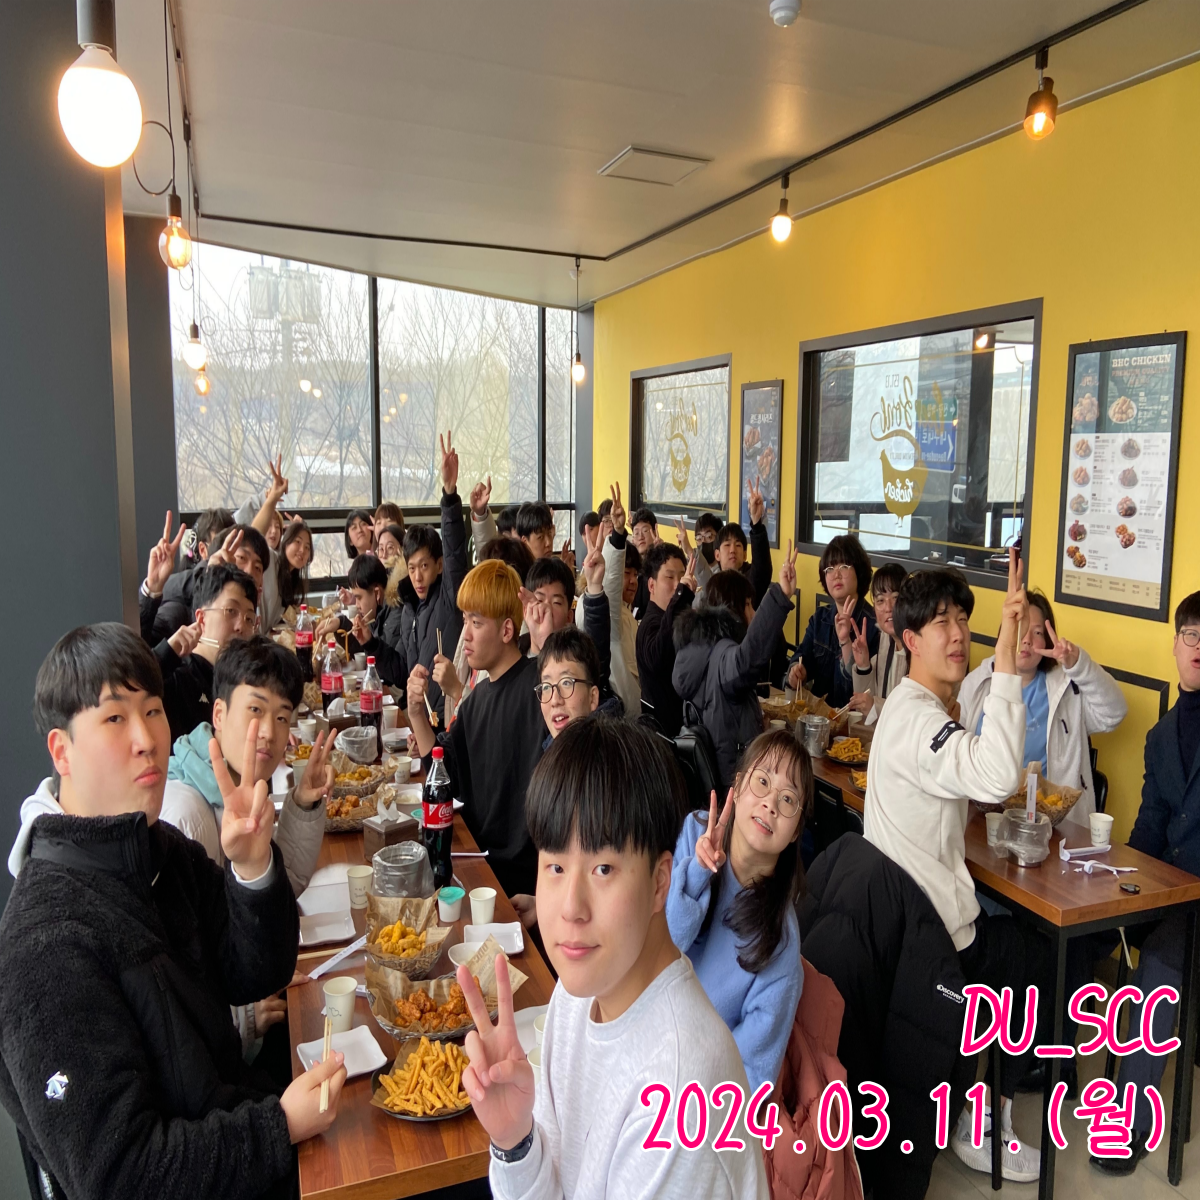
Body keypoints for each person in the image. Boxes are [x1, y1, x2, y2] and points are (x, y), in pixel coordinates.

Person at [2, 623, 346, 1200]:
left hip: (244, 1130)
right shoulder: (44, 943)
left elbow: (256, 971)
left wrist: (254, 867)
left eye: (154, 711)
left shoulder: (161, 851)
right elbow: (120, 1176)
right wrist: (278, 1127)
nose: (147, 739)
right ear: (62, 752)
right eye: (115, 718)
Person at [454, 717, 766, 1199]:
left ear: (660, 882)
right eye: (555, 866)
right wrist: (515, 1141)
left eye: (603, 868)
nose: (571, 908)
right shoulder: (577, 995)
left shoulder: (679, 1091)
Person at [864, 553, 1047, 1182]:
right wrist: (1006, 658)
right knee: (1031, 955)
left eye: (964, 620)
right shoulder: (920, 719)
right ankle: (985, 1122)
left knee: (1013, 939)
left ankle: (971, 1096)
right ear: (910, 640)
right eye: (941, 622)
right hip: (932, 938)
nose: (959, 633)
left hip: (900, 923)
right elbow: (996, 776)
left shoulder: (907, 705)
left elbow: (965, 784)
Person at [1094, 592, 1200, 1176]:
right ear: (1176, 644)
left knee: (1157, 966)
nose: (1199, 647)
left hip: (1194, 902)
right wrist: (1124, 880)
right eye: (1191, 635)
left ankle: (1128, 1123)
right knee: (1094, 930)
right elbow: (1151, 825)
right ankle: (1047, 1071)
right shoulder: (1161, 735)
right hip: (1171, 892)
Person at [667, 729, 808, 1093]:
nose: (770, 804)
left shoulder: (780, 940)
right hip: (643, 1028)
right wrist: (698, 873)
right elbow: (660, 951)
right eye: (762, 782)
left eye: (788, 799)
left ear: (796, 832)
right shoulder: (695, 833)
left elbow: (753, 1074)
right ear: (739, 785)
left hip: (696, 1086)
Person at [407, 560, 544, 898]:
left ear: (507, 631)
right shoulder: (477, 699)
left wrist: (546, 643)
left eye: (476, 622)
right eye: (465, 619)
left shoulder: (540, 688)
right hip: (478, 865)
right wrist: (416, 714)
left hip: (524, 880)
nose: (465, 634)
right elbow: (441, 771)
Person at [959, 589, 1126, 827]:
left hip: (1049, 824)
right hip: (982, 815)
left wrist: (1078, 664)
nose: (1027, 639)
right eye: (1020, 628)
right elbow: (959, 752)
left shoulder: (1066, 690)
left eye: (1037, 632)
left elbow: (1114, 714)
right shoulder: (978, 682)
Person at [673, 544, 798, 790]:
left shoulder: (697, 646)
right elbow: (747, 661)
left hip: (709, 780)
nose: (753, 612)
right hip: (732, 784)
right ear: (733, 609)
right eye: (749, 605)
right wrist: (781, 596)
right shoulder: (722, 653)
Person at [392, 432, 470, 723]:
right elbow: (403, 668)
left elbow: (455, 552)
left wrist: (449, 495)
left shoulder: (449, 596)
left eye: (424, 566)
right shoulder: (409, 608)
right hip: (420, 720)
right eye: (411, 568)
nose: (417, 576)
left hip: (445, 720)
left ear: (438, 565)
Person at [158, 563, 259, 742]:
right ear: (201, 619)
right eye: (231, 611)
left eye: (249, 618)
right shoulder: (177, 677)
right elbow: (132, 683)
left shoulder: (239, 680)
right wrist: (166, 653)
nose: (241, 626)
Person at [787, 533, 878, 707]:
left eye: (843, 566)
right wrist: (796, 672)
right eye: (829, 569)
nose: (836, 574)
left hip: (856, 720)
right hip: (817, 717)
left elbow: (867, 690)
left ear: (859, 571)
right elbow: (801, 656)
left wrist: (846, 643)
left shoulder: (873, 625)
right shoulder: (820, 618)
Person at [149, 523, 270, 644]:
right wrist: (151, 589)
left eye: (257, 568)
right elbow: (143, 649)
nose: (249, 571)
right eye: (242, 558)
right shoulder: (176, 612)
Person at [577, 484, 639, 717]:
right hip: (618, 716)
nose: (632, 581)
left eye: (636, 574)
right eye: (626, 573)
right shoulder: (601, 605)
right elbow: (611, 583)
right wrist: (618, 536)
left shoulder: (622, 610)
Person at [635, 542, 697, 736]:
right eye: (669, 577)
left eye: (682, 577)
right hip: (661, 735)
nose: (677, 584)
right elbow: (658, 658)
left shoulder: (677, 620)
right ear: (651, 585)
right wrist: (682, 597)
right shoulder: (650, 623)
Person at [846, 561, 909, 724]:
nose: (889, 607)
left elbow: (913, 714)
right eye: (880, 600)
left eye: (896, 598)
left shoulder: (919, 648)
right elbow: (865, 706)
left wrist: (876, 707)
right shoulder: (885, 640)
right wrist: (863, 666)